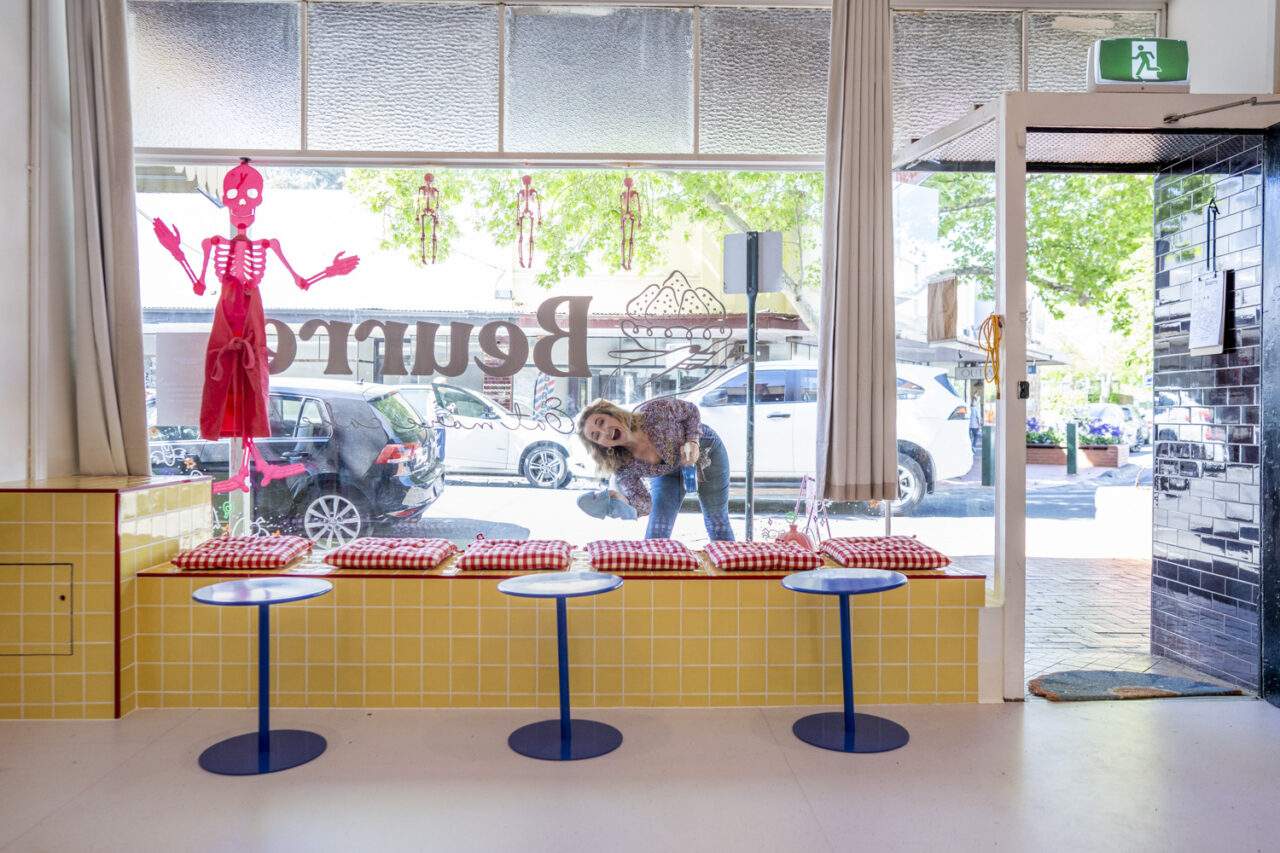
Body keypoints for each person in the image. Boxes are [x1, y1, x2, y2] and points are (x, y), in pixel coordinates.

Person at [576, 396, 734, 541]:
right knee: (656, 533)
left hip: (707, 450)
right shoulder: (623, 467)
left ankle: (731, 568)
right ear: (601, 446)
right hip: (669, 472)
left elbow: (691, 411)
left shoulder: (654, 412)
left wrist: (692, 440)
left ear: (611, 413)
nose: (604, 431)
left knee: (717, 522)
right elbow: (644, 505)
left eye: (601, 422)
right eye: (596, 436)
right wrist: (622, 501)